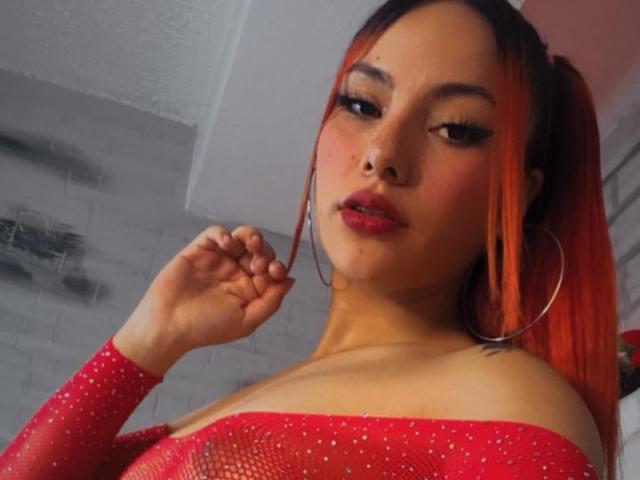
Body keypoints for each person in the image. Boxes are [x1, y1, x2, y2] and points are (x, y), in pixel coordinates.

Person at [0, 0, 620, 478]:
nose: (382, 153)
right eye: (362, 105)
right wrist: (147, 342)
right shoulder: (240, 401)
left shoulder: (506, 397)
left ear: (519, 195)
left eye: (455, 129)